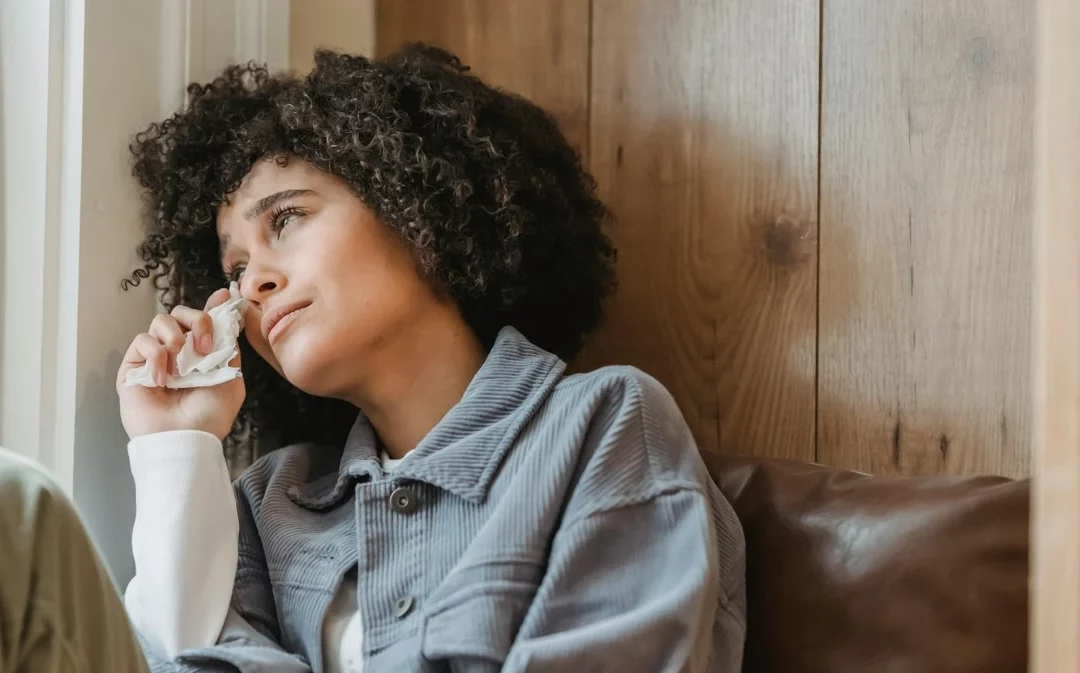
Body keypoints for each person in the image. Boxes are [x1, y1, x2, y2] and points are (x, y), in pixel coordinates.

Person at [1, 45, 746, 673]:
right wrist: (178, 449)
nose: (250, 286)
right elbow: (177, 660)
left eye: (286, 219)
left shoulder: (603, 426)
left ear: (415, 203)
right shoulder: (272, 501)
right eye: (235, 269)